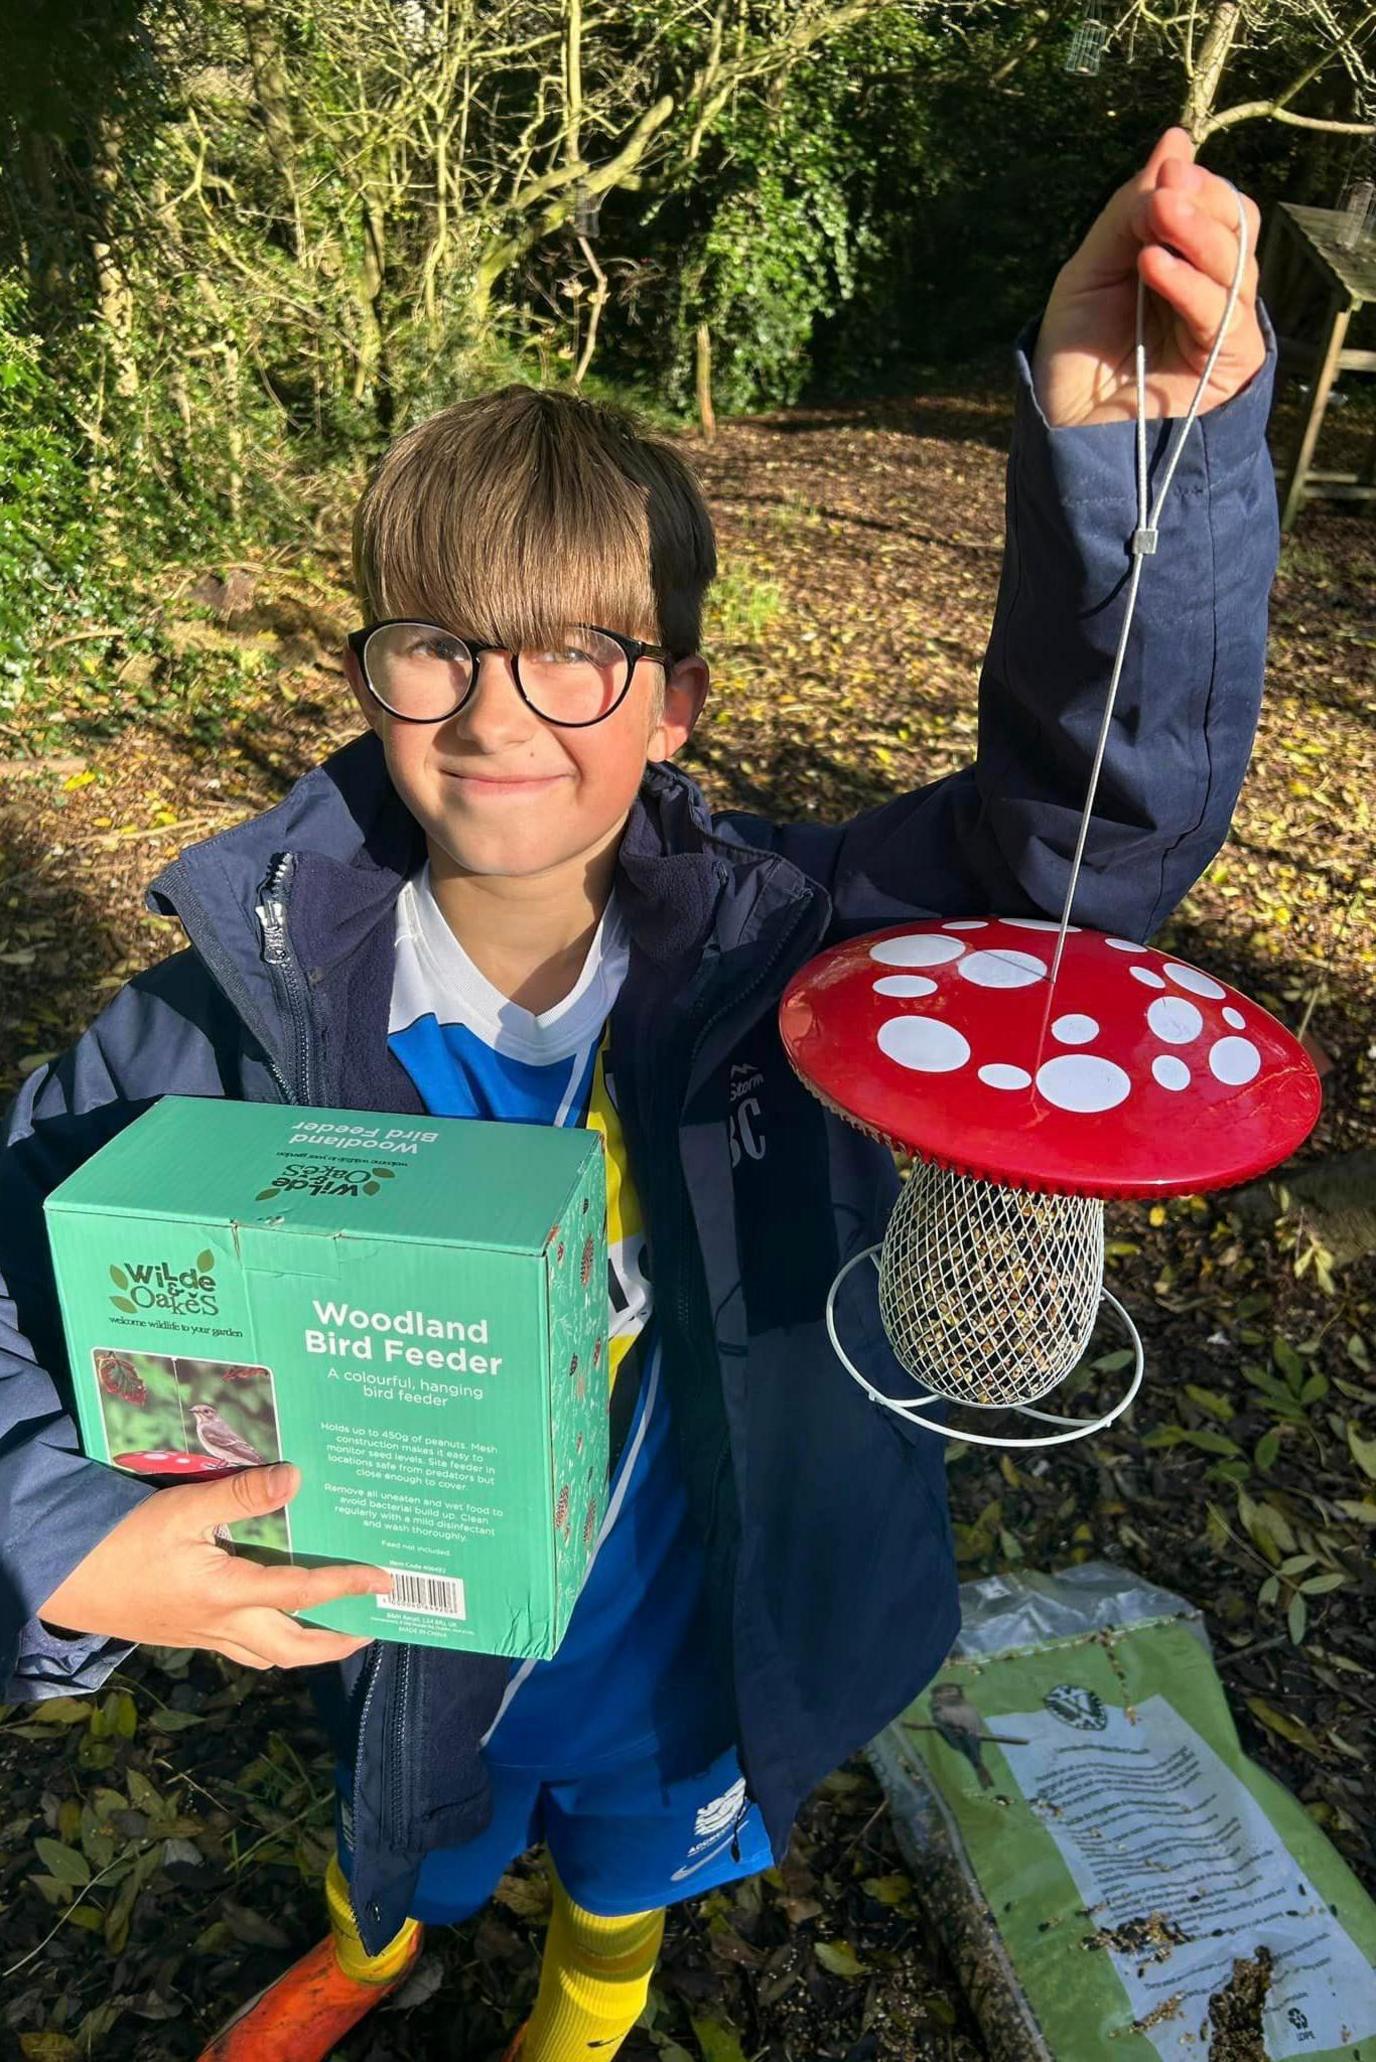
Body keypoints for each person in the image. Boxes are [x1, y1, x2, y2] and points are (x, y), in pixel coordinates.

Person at [0, 128, 1274, 2062]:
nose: (501, 711)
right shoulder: (214, 1030)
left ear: (676, 702)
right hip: (406, 1655)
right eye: (442, 645)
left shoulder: (811, 959)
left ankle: (585, 2005)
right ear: (372, 674)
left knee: (625, 1870)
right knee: (412, 1837)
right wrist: (60, 1532)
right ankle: (372, 1941)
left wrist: (1135, 467)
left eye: (581, 655)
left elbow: (1090, 855)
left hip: (691, 1644)